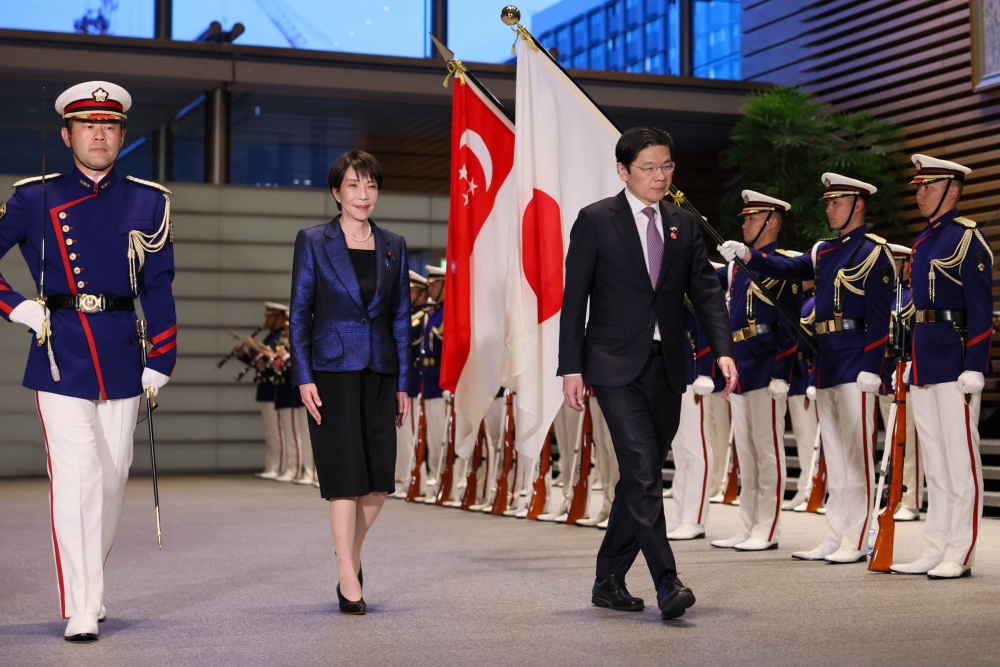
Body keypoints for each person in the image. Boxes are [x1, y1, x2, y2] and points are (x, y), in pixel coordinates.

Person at [0, 81, 176, 641]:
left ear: (122, 135)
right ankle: (82, 604)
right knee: (78, 478)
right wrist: (17, 307)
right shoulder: (34, 197)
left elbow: (161, 285)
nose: (98, 133)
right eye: (87, 125)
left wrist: (162, 358)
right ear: (67, 134)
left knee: (113, 477)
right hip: (61, 352)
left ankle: (89, 583)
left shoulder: (149, 200)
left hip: (124, 352)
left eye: (109, 125)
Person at [558, 126, 737, 622]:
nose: (661, 176)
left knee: (639, 478)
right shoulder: (596, 220)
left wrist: (722, 349)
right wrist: (570, 366)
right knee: (640, 469)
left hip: (668, 364)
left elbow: (704, 292)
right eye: (649, 168)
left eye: (667, 166)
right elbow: (575, 300)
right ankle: (667, 581)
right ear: (624, 170)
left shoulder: (682, 222)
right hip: (612, 364)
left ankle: (608, 579)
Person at [719, 173, 894, 564]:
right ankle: (835, 535)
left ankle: (855, 537)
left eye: (836, 202)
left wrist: (872, 366)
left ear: (858, 204)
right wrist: (749, 257)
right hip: (828, 360)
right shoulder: (824, 251)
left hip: (855, 361)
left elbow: (879, 318)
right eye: (828, 202)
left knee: (856, 454)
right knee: (833, 453)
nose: (829, 208)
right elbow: (789, 269)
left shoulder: (872, 251)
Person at [290, 151, 411, 614]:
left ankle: (348, 555)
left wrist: (403, 381)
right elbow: (300, 313)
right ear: (337, 192)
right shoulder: (314, 241)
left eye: (371, 186)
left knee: (378, 482)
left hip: (380, 371)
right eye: (354, 186)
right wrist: (303, 378)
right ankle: (348, 579)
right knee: (344, 478)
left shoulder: (393, 244)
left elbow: (401, 316)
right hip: (331, 372)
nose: (364, 195)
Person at [890, 155, 990, 579]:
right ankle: (935, 546)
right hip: (927, 361)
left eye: (927, 187)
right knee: (934, 462)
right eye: (918, 186)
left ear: (952, 189)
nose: (919, 194)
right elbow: (918, 310)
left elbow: (982, 309)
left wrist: (976, 365)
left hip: (955, 360)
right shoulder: (923, 242)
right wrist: (913, 360)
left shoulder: (968, 239)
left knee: (960, 461)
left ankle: (960, 551)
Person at [711, 191, 801, 552]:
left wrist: (781, 372)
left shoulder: (781, 264)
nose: (745, 223)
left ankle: (769, 526)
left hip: (765, 364)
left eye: (752, 218)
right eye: (745, 218)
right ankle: (747, 524)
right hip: (742, 364)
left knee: (768, 450)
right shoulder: (736, 268)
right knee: (745, 453)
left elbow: (790, 324)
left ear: (772, 221)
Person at [665, 302, 717, 541]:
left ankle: (695, 518)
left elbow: (708, 320)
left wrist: (705, 370)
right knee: (681, 451)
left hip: (692, 367)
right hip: (672, 367)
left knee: (696, 450)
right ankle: (680, 514)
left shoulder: (690, 277)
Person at [876, 244, 920, 521]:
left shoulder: (911, 298)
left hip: (905, 372)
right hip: (883, 374)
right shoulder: (882, 297)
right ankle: (894, 494)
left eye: (896, 263)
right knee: (892, 441)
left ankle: (911, 499)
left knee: (909, 440)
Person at [392, 270, 428, 497]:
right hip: (405, 380)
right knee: (403, 435)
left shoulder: (421, 315)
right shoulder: (408, 314)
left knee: (412, 434)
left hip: (417, 381)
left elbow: (409, 336)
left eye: (410, 290)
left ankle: (413, 479)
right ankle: (404, 477)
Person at [784, 280, 817, 511]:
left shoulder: (814, 302)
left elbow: (815, 343)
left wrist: (814, 379)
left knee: (810, 439)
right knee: (800, 437)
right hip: (794, 376)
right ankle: (803, 486)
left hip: (807, 375)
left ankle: (812, 488)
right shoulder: (798, 302)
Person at [420, 265, 448, 499]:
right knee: (432, 436)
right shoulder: (435, 314)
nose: (430, 287)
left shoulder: (448, 312)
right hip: (429, 380)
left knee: (441, 436)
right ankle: (436, 479)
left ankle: (443, 481)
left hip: (441, 381)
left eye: (435, 284)